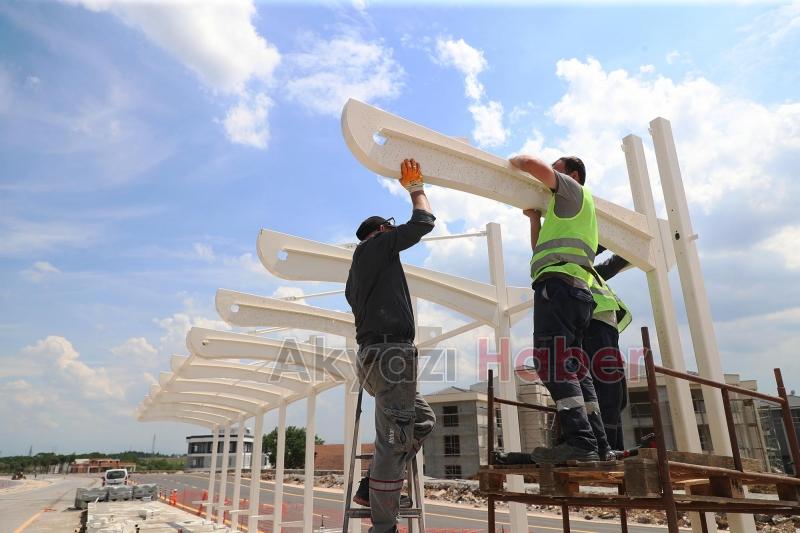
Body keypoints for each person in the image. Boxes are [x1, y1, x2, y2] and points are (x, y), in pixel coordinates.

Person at [345, 158, 437, 533]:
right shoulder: (378, 246)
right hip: (391, 356)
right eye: (389, 229)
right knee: (394, 440)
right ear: (381, 231)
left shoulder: (357, 273)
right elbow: (423, 223)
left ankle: (372, 486)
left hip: (374, 360)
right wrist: (416, 189)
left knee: (422, 421)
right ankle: (383, 526)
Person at [511, 154, 610, 464]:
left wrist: (514, 162)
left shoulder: (573, 191)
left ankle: (581, 442)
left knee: (551, 361)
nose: (552, 174)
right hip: (576, 293)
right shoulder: (570, 211)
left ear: (573, 175)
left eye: (558, 169)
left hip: (559, 287)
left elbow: (529, 163)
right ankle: (599, 444)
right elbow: (539, 248)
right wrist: (535, 219)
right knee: (576, 368)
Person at [585, 248, 632, 451]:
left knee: (619, 396)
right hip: (593, 329)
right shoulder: (575, 270)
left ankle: (615, 446)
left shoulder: (593, 273)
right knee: (609, 393)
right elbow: (587, 248)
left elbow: (612, 264)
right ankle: (607, 446)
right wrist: (604, 240)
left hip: (608, 331)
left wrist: (626, 245)